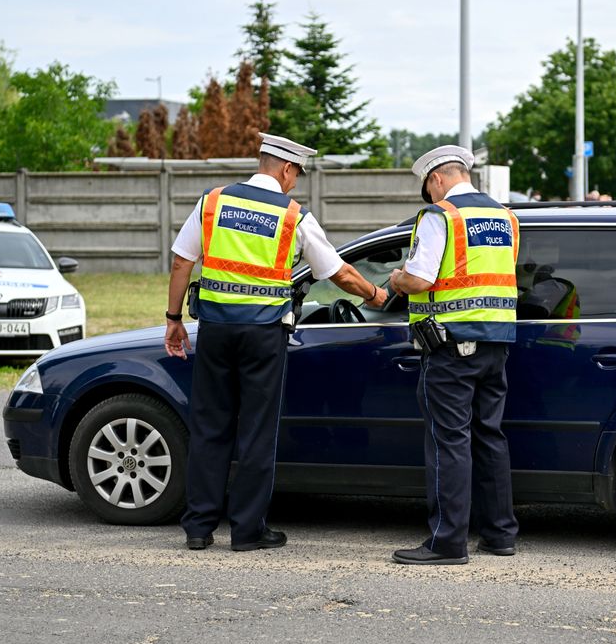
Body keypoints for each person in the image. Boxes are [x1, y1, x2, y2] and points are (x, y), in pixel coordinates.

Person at [165, 133, 388, 552]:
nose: (295, 183)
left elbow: (181, 261)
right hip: (264, 335)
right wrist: (375, 295)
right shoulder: (292, 217)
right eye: (297, 175)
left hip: (214, 330)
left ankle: (198, 528)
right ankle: (248, 531)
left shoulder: (212, 202)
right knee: (255, 430)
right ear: (286, 169)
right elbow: (337, 272)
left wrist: (174, 318)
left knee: (210, 425)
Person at [387, 145, 520, 565]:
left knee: (449, 443)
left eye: (428, 188)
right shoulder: (505, 218)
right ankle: (500, 534)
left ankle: (447, 542)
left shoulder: (441, 216)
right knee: (490, 438)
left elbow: (421, 277)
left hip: (450, 350)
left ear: (436, 179)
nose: (430, 196)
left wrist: (396, 278)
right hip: (496, 346)